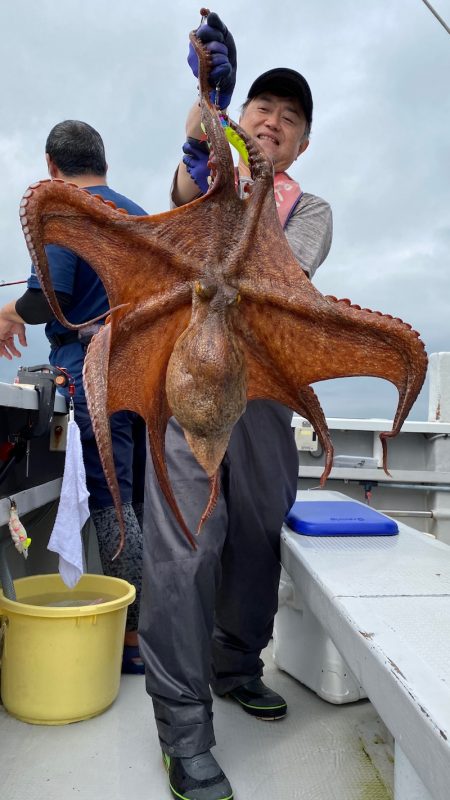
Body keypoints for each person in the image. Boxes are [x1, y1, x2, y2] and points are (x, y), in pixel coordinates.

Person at [138, 12, 333, 800]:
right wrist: (206, 130)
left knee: (256, 531)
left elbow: (286, 273)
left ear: (304, 144)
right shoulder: (211, 167)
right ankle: (184, 735)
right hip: (188, 381)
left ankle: (234, 666)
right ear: (243, 114)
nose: (273, 123)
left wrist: (244, 169)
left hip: (259, 401)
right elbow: (187, 190)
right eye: (262, 110)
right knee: (185, 547)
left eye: (290, 120)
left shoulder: (310, 208)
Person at [0, 120, 147, 674]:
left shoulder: (61, 208)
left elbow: (51, 301)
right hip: (136, 371)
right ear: (102, 159)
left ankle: (129, 642)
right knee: (129, 497)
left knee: (112, 508)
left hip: (89, 374)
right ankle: (137, 626)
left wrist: (9, 312)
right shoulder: (136, 212)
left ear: (51, 166)